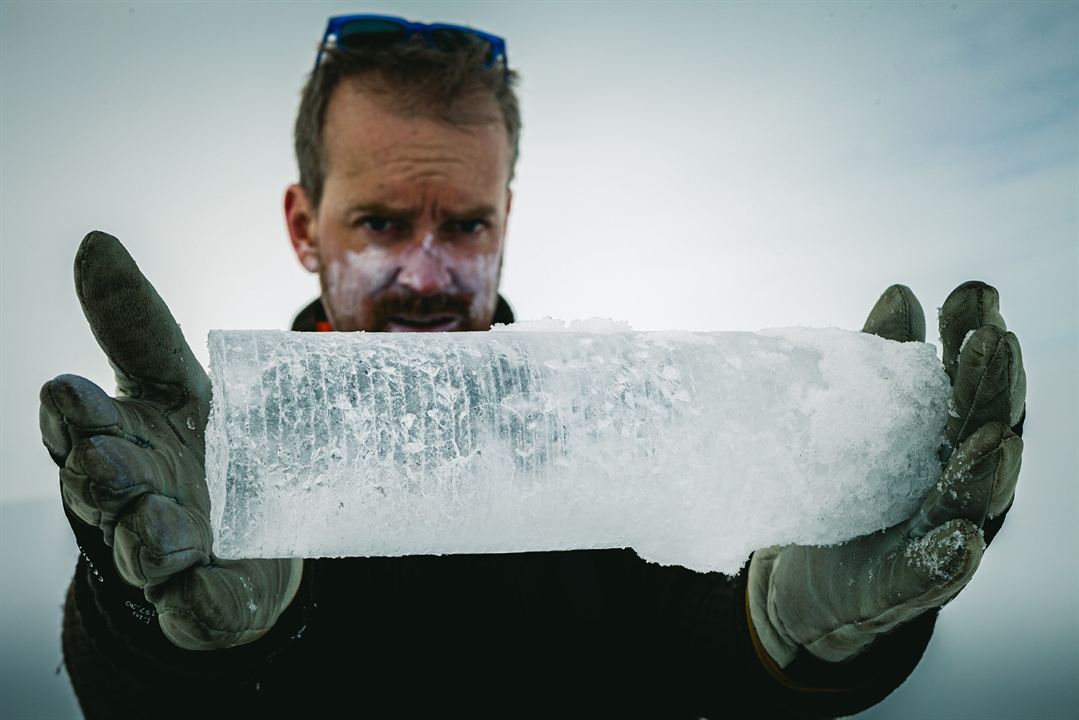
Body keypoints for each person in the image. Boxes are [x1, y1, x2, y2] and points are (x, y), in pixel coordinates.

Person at [40, 14, 1026, 719]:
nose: (427, 272)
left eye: (464, 226)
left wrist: (785, 628)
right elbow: (134, 699)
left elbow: (689, 652)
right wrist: (146, 617)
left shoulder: (600, 427)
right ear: (306, 225)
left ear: (504, 221)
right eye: (382, 223)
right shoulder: (229, 468)